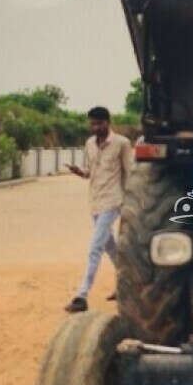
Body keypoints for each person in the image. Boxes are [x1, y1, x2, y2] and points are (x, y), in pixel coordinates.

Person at [64, 106, 132, 313]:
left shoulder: (122, 143)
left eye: (99, 123)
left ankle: (81, 296)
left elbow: (129, 174)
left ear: (107, 122)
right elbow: (90, 173)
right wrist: (79, 172)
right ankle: (127, 286)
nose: (95, 127)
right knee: (110, 247)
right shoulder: (89, 144)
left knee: (95, 247)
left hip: (113, 202)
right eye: (92, 124)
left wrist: (130, 203)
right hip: (94, 202)